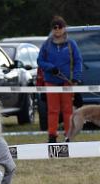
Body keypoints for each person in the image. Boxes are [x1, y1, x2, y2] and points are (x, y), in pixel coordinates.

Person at [37, 15, 82, 143]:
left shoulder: (71, 44)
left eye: (60, 27)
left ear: (64, 28)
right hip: (51, 81)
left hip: (66, 81)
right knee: (53, 110)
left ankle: (68, 135)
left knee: (68, 109)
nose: (57, 30)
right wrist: (50, 68)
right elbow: (40, 61)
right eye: (54, 27)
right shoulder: (46, 44)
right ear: (52, 29)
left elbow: (78, 61)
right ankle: (52, 135)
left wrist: (76, 78)